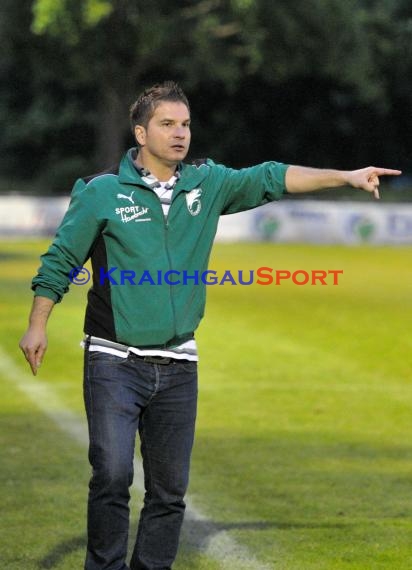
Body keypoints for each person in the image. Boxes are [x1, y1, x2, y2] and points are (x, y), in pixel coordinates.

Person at [19, 80, 401, 570]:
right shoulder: (101, 193)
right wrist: (37, 324)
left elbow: (273, 176)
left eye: (186, 124)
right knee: (112, 476)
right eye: (167, 124)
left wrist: (345, 177)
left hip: (179, 364)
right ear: (140, 132)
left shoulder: (208, 184)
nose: (181, 134)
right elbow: (60, 260)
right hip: (114, 360)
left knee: (169, 492)